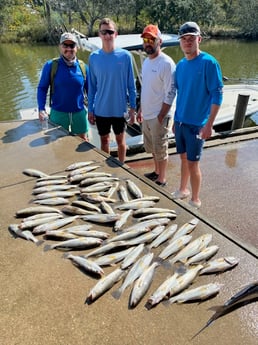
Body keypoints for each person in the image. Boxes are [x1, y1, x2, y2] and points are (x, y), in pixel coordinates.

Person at [171, 21, 223, 208]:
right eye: (184, 39)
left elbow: (217, 95)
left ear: (199, 39)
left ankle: (195, 199)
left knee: (193, 163)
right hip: (181, 122)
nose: (187, 42)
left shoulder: (209, 63)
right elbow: (181, 94)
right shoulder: (180, 66)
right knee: (183, 158)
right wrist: (176, 119)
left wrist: (209, 124)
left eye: (191, 38)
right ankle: (183, 189)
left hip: (198, 125)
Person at [87, 18, 136, 164]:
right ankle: (106, 170)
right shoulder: (94, 57)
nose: (107, 35)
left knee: (121, 140)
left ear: (116, 34)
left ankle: (122, 165)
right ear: (99, 35)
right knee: (104, 140)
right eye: (104, 32)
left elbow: (131, 86)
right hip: (101, 109)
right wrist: (90, 109)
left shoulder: (126, 56)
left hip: (120, 109)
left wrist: (133, 109)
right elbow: (92, 87)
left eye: (110, 32)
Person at [137, 24, 176, 186]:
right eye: (145, 39)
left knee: (161, 148)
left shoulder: (166, 63)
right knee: (152, 147)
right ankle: (156, 171)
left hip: (160, 115)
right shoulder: (146, 62)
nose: (148, 43)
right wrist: (140, 109)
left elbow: (171, 92)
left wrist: (162, 115)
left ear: (159, 41)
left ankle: (162, 179)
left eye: (151, 40)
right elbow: (145, 88)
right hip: (147, 113)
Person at [37, 32, 89, 141]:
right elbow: (42, 88)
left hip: (79, 112)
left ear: (77, 48)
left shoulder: (83, 67)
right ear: (60, 47)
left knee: (83, 140)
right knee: (57, 143)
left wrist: (93, 109)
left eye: (72, 46)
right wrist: (41, 109)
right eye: (65, 45)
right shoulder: (51, 65)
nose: (69, 49)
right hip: (58, 113)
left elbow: (91, 91)